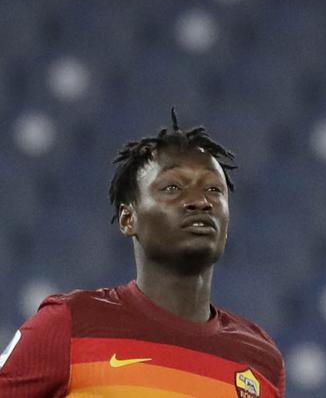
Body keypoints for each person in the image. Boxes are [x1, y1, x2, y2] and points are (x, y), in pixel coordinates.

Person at [0, 113, 285, 397]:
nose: (201, 201)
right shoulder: (69, 325)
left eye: (214, 190)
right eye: (172, 188)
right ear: (128, 218)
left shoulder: (261, 360)